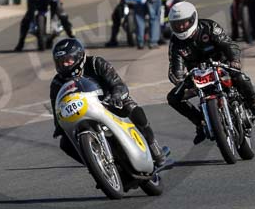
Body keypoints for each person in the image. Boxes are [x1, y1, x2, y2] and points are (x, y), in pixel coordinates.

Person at [166, 1, 255, 144]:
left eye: (184, 23)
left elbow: (229, 44)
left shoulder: (209, 27)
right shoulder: (175, 42)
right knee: (173, 97)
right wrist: (179, 79)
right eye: (177, 24)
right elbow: (175, 67)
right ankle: (200, 122)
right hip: (197, 76)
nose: (180, 27)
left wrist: (233, 60)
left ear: (192, 19)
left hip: (222, 67)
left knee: (241, 78)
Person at [50, 37, 167, 166]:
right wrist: (58, 126)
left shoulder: (95, 63)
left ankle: (154, 147)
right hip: (81, 114)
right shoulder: (57, 82)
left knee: (132, 108)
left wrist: (116, 95)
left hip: (109, 103)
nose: (64, 65)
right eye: (60, 62)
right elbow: (57, 106)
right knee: (65, 143)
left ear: (78, 56)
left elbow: (118, 84)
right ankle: (95, 165)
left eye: (67, 60)